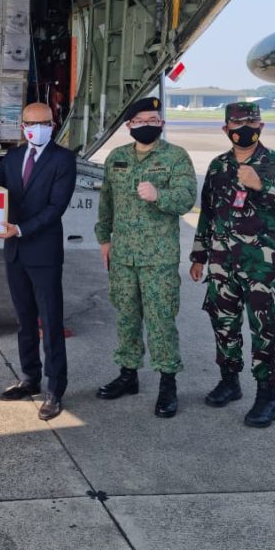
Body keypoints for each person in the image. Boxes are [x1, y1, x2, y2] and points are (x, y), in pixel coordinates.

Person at [189, 102, 275, 428]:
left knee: (264, 328)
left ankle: (267, 396)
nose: (244, 128)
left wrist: (259, 185)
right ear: (226, 129)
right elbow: (207, 214)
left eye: (251, 122)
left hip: (261, 266)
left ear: (261, 126)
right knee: (223, 323)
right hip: (222, 263)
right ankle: (230, 380)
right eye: (237, 123)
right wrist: (199, 255)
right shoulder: (217, 166)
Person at [0, 102, 76, 420]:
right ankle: (30, 378)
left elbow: (56, 207)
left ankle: (55, 389)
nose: (37, 128)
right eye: (31, 123)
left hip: (42, 252)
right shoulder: (14, 158)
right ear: (22, 126)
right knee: (24, 321)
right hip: (14, 253)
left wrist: (20, 228)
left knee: (50, 322)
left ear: (52, 125)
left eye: (43, 123)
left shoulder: (63, 159)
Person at [93, 97, 196, 418]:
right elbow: (106, 201)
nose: (147, 125)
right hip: (122, 256)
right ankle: (128, 375)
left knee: (161, 320)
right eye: (140, 121)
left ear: (162, 123)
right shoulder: (117, 158)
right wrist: (104, 239)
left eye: (153, 119)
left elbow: (187, 198)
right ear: (129, 127)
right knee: (126, 317)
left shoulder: (176, 157)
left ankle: (168, 382)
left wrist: (159, 195)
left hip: (158, 258)